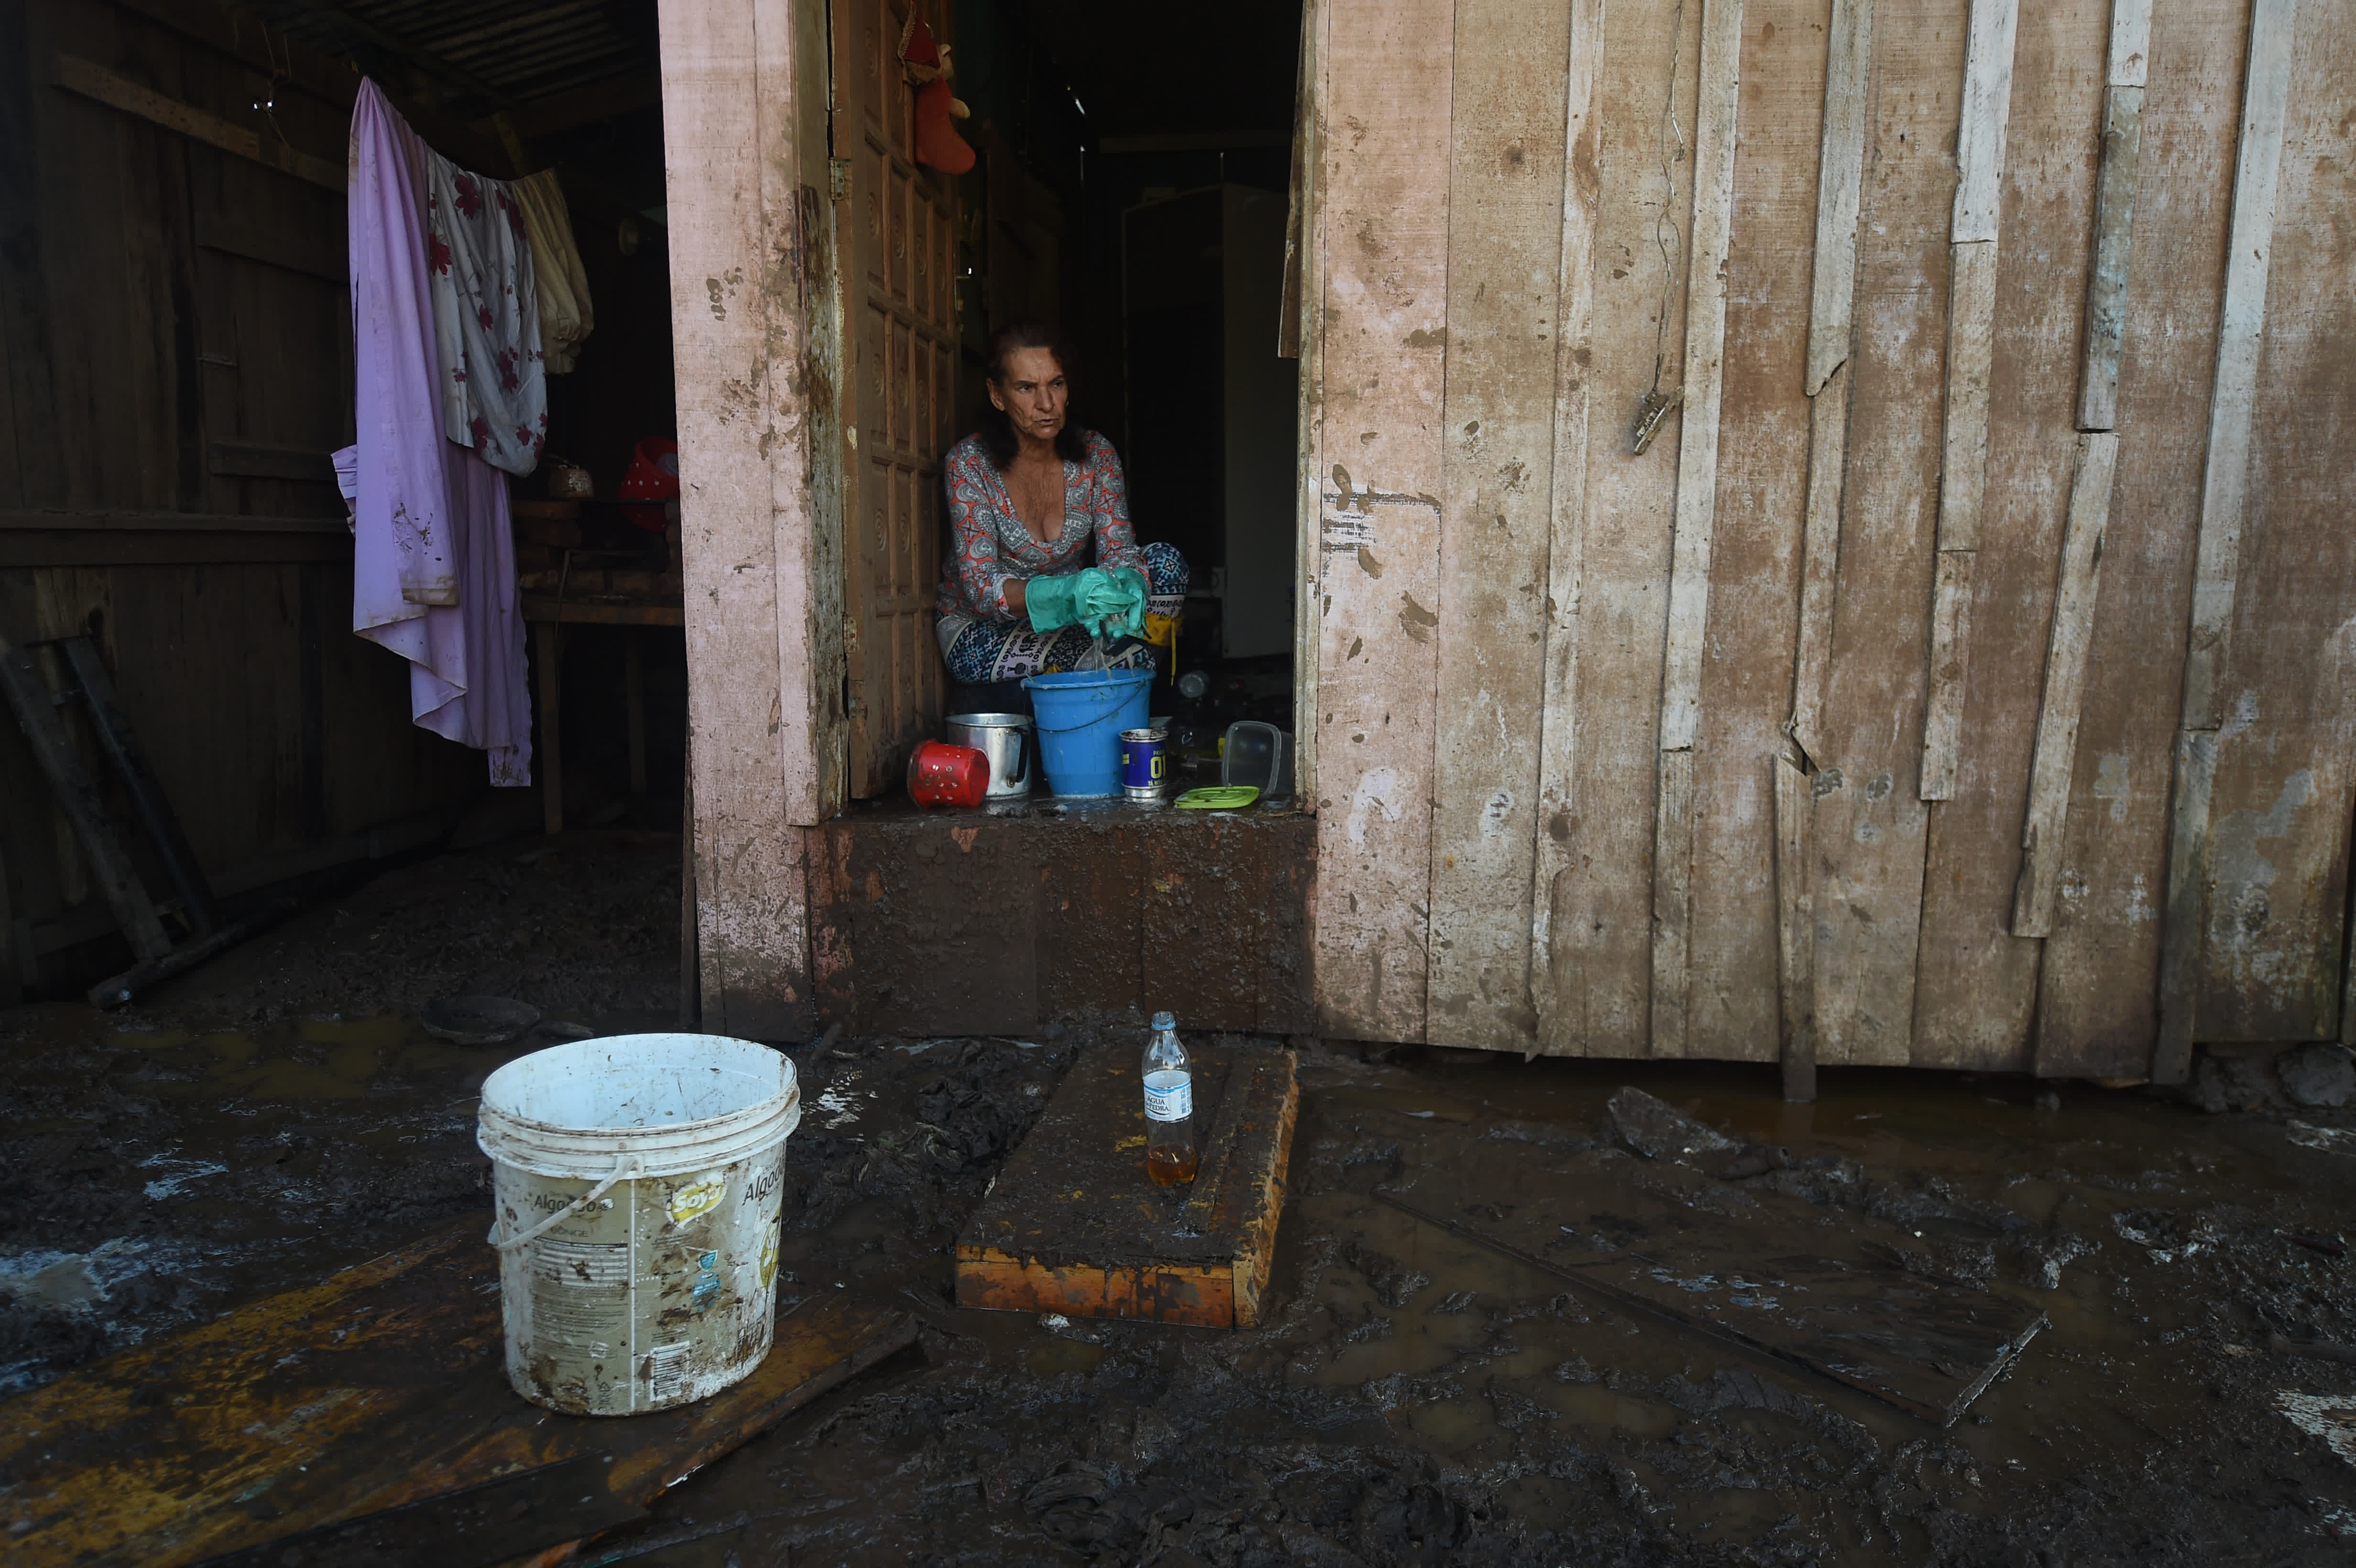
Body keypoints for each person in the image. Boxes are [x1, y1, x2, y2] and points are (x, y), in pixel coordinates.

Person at [934, 324, 1188, 708]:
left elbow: (1118, 549)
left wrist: (1128, 581)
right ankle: (1122, 677)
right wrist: (1067, 594)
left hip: (1075, 622)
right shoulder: (970, 465)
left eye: (1056, 384)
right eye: (1026, 388)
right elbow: (982, 589)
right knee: (1113, 648)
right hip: (986, 632)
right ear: (997, 395)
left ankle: (1111, 669)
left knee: (1166, 567)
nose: (1047, 403)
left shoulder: (1096, 455)